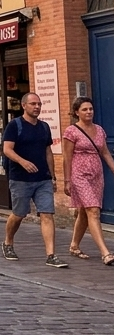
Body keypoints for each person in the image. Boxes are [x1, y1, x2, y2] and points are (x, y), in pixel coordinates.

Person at [1, 92, 66, 267]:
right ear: (24, 106)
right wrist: (23, 162)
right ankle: (8, 242)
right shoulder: (15, 126)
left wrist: (52, 176)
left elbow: (48, 152)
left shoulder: (44, 127)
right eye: (33, 104)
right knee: (19, 214)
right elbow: (7, 149)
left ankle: (51, 255)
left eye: (39, 104)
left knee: (47, 214)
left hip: (42, 178)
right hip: (20, 178)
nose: (37, 107)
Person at [63, 96, 114, 265]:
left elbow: (105, 152)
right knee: (93, 210)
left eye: (90, 109)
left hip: (96, 175)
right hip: (79, 174)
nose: (89, 112)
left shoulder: (99, 130)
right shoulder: (71, 131)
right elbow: (67, 157)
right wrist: (67, 180)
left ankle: (74, 245)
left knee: (85, 212)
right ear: (76, 112)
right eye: (84, 109)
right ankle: (105, 252)